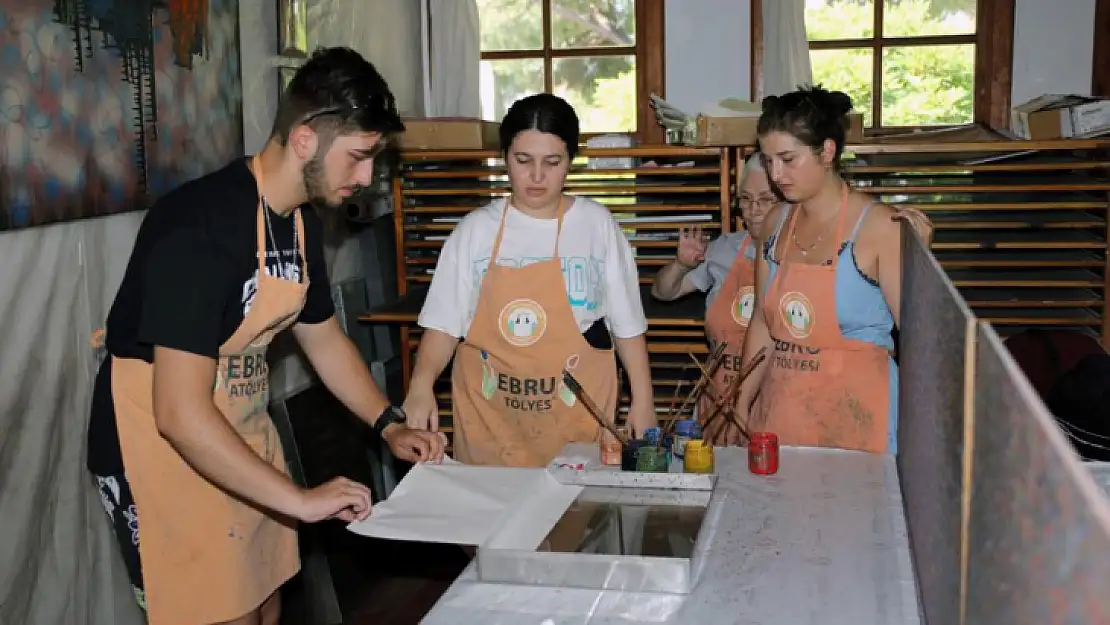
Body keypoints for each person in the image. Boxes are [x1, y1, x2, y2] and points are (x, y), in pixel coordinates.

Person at [85, 47, 445, 625]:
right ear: (305, 138)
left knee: (265, 602)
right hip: (159, 444)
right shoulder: (199, 225)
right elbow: (177, 412)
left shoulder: (299, 222)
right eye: (358, 157)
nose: (366, 177)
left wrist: (389, 422)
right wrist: (299, 499)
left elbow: (323, 338)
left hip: (238, 427)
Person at [402, 93, 658, 467]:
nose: (537, 176)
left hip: (575, 423)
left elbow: (627, 327)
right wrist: (420, 385)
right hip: (492, 423)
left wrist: (644, 402)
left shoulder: (596, 227)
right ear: (504, 156)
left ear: (571, 161)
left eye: (552, 162)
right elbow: (443, 325)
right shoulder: (475, 232)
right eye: (523, 161)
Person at [734, 85, 933, 454]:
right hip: (784, 413)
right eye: (768, 160)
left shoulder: (879, 228)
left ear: (826, 151)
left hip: (859, 420)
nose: (776, 173)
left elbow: (924, 339)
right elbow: (762, 320)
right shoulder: (776, 222)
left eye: (788, 159)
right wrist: (742, 399)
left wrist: (922, 263)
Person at [651, 154, 777, 444]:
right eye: (745, 200)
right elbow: (663, 292)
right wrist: (681, 265)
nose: (753, 210)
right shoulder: (724, 249)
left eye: (765, 199)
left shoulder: (801, 255)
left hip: (776, 398)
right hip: (720, 395)